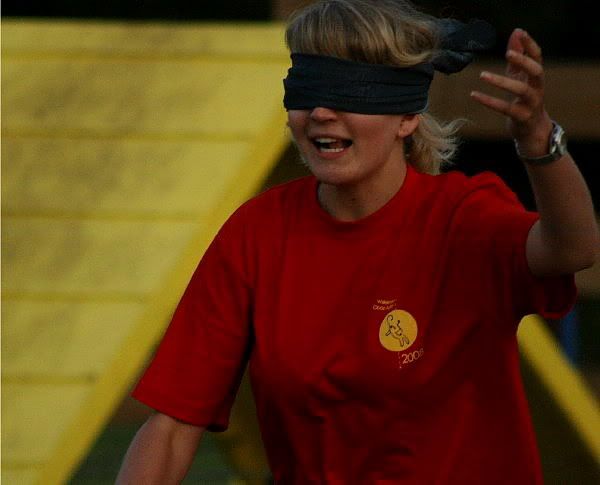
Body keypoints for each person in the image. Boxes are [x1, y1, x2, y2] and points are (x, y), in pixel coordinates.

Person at [116, 1, 599, 483]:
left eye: (350, 92)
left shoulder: (464, 219)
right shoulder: (256, 233)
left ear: (406, 117)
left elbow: (573, 249)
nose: (321, 112)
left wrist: (539, 141)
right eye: (308, 90)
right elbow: (172, 426)